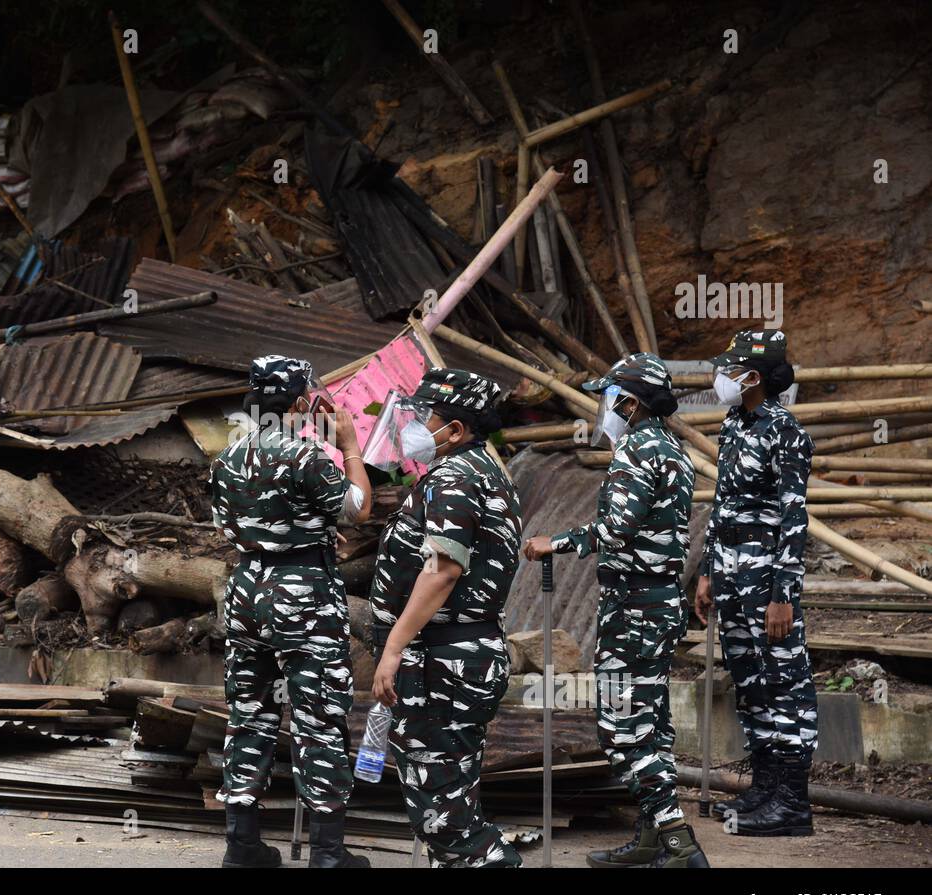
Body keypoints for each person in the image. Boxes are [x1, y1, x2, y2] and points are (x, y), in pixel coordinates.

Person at [524, 353, 709, 868]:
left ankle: (677, 840)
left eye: (609, 397)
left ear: (629, 403)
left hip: (633, 606)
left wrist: (553, 542)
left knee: (620, 724)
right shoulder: (672, 448)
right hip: (659, 602)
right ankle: (651, 839)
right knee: (650, 723)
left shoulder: (636, 451)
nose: (605, 407)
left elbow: (614, 531)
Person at [208, 355, 373, 868]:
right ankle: (327, 853)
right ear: (302, 401)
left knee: (249, 714)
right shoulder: (307, 456)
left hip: (247, 591)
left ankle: (242, 845)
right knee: (319, 718)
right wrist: (348, 445)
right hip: (302, 597)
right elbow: (359, 507)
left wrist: (303, 529)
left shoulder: (227, 457)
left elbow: (233, 526)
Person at [369, 368, 524, 868]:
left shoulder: (456, 477)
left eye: (422, 418)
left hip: (442, 661)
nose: (411, 427)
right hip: (455, 659)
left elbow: (443, 569)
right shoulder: (478, 470)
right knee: (453, 794)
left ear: (455, 430)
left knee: (443, 813)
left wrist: (393, 647)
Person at [694, 329, 817, 836]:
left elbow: (794, 516)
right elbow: (722, 506)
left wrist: (783, 594)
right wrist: (706, 570)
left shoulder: (783, 430)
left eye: (732, 369)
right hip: (731, 577)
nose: (722, 377)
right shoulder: (734, 423)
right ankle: (766, 788)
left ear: (756, 378)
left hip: (767, 581)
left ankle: (792, 803)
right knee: (753, 685)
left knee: (785, 686)